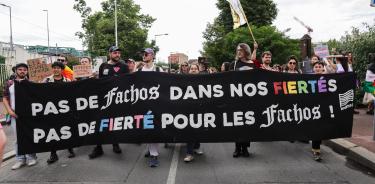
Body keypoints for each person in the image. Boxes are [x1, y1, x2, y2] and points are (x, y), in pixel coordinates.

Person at [89, 45, 129, 159]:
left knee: (114, 123)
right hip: (105, 100)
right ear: (110, 54)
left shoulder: (124, 66)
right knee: (100, 123)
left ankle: (115, 144)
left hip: (118, 100)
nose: (117, 54)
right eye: (115, 53)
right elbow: (101, 82)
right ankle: (98, 147)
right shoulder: (103, 66)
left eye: (118, 53)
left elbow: (128, 82)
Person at [3, 63, 38, 170]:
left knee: (29, 136)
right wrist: (9, 111)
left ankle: (31, 157)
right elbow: (4, 98)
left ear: (27, 72)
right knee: (18, 138)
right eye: (20, 69)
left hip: (28, 115)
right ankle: (20, 159)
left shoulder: (31, 83)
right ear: (16, 71)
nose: (22, 71)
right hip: (14, 114)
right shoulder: (9, 83)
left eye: (24, 70)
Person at [42, 61, 75, 164]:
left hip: (65, 110)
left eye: (58, 68)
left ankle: (70, 148)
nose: (56, 69)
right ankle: (53, 154)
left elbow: (72, 95)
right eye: (54, 68)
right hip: (51, 111)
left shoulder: (67, 80)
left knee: (67, 130)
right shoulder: (47, 80)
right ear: (52, 69)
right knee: (53, 132)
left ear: (61, 70)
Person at [229, 43, 259, 157]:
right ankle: (237, 147)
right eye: (237, 50)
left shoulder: (253, 64)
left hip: (249, 99)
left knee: (248, 124)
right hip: (237, 99)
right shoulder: (234, 63)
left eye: (241, 50)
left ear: (246, 51)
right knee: (238, 124)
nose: (238, 52)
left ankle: (245, 148)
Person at [184, 63, 204, 162]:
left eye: (195, 68)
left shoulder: (203, 80)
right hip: (188, 109)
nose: (193, 70)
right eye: (191, 69)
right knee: (190, 131)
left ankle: (197, 146)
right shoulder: (184, 80)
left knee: (198, 129)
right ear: (189, 70)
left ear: (198, 70)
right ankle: (189, 153)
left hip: (199, 109)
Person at [311, 61, 325, 161]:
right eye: (316, 67)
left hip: (324, 107)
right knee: (316, 128)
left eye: (320, 66)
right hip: (312, 108)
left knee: (321, 128)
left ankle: (317, 144)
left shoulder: (328, 79)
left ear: (323, 68)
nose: (318, 68)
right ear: (313, 69)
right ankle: (316, 151)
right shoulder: (308, 79)